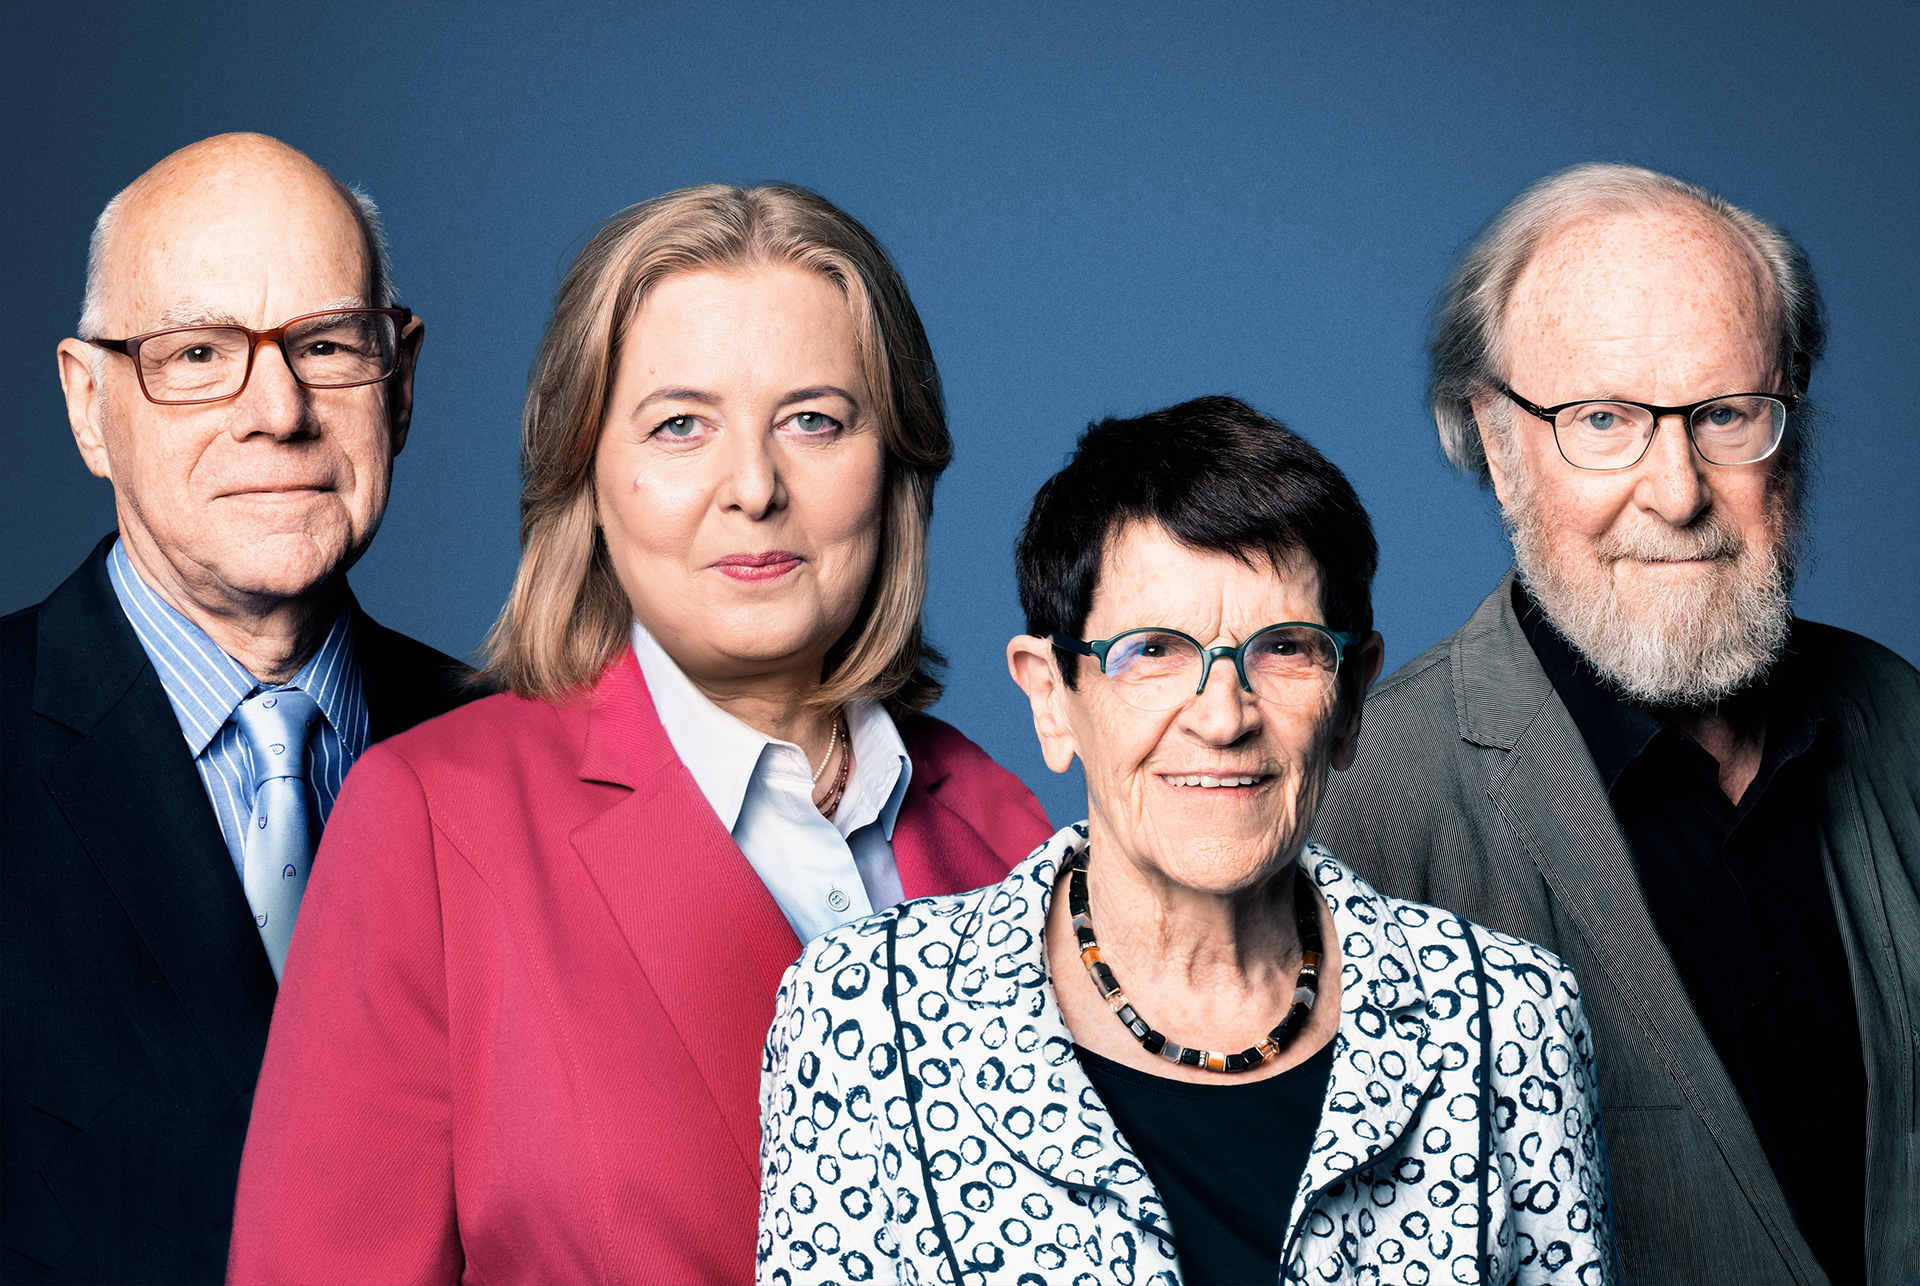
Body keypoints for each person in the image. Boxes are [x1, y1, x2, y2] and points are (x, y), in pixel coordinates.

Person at [227, 183, 1053, 1284]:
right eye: (680, 425)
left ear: (896, 463)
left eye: (815, 419)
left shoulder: (1007, 827)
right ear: (590, 478)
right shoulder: (430, 821)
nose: (753, 487)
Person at [758, 397, 1614, 1285]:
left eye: (1284, 649)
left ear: (1352, 700)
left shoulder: (1504, 1018)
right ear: (1052, 697)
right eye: (1152, 651)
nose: (1221, 717)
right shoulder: (866, 1017)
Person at [1312, 162, 1920, 1284]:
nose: (1678, 489)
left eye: (1728, 414)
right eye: (1604, 420)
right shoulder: (1360, 815)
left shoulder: (1904, 724)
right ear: (1498, 445)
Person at [0, 134, 478, 1285]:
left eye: (326, 345)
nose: (279, 409)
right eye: (199, 352)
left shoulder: (521, 759)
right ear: (87, 400)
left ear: (400, 379)